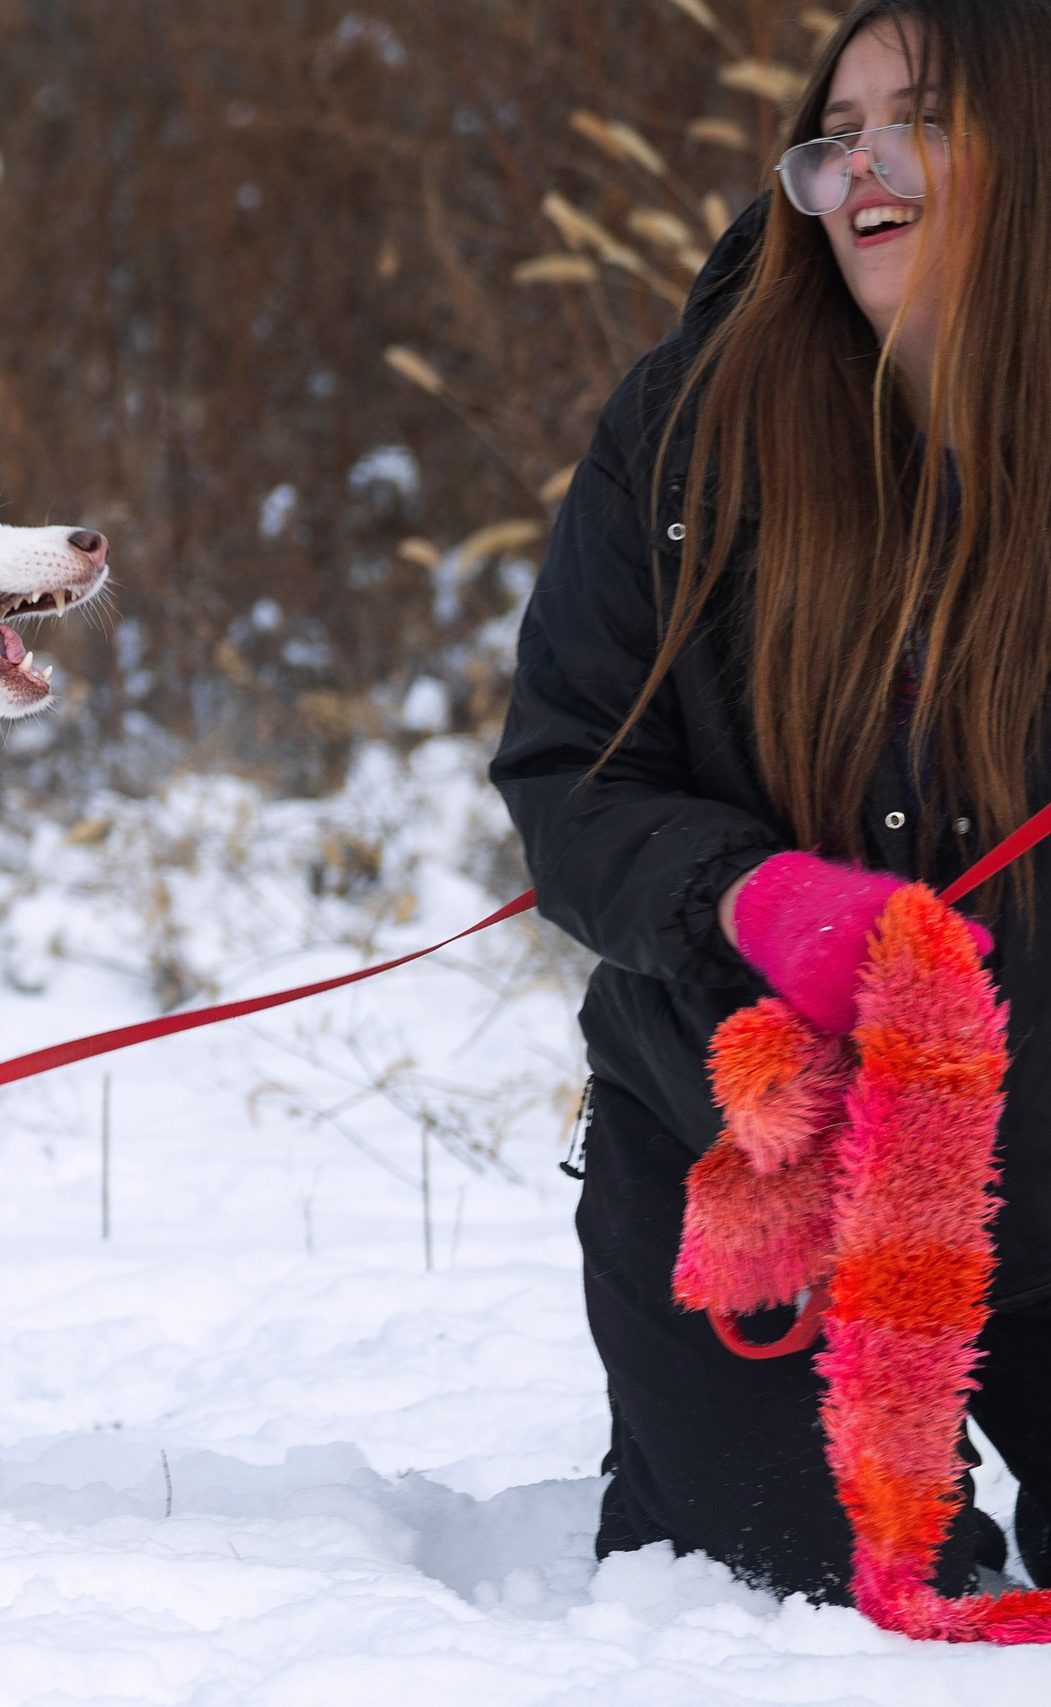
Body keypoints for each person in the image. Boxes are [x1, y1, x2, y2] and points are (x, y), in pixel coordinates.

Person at [492, 0, 1051, 1602]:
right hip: (761, 1169)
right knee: (767, 1612)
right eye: (837, 133)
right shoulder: (685, 429)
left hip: (1045, 1149)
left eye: (921, 117)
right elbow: (570, 771)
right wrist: (746, 898)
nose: (864, 162)